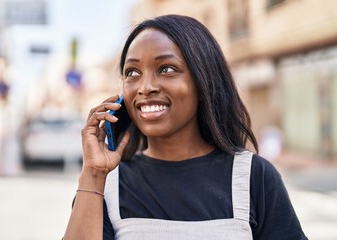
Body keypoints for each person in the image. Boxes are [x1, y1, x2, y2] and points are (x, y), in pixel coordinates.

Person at [63, 14, 307, 240]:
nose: (145, 87)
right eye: (132, 72)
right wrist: (93, 175)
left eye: (166, 69)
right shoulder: (108, 185)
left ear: (203, 82)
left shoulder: (254, 177)